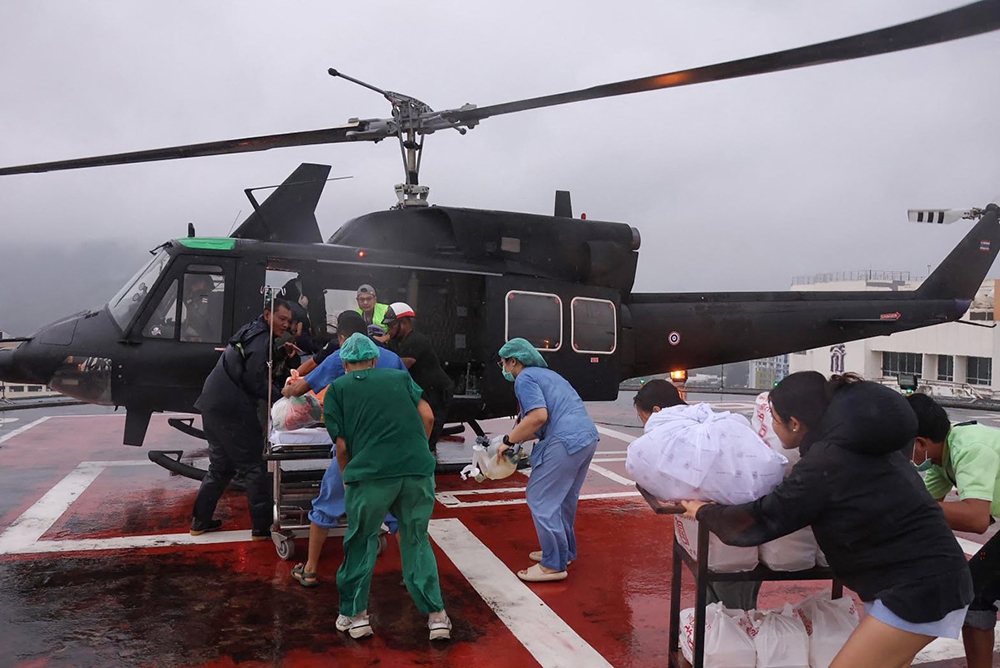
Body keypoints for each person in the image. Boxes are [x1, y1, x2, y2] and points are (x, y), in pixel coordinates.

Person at [681, 372, 973, 668]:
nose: (771, 427)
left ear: (795, 424)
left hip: (919, 590)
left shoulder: (827, 462)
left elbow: (762, 519)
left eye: (775, 421)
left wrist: (703, 511)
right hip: (926, 577)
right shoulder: (859, 442)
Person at [290, 334, 451, 642]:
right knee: (416, 540)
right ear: (375, 360)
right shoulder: (399, 379)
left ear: (344, 364)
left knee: (361, 541)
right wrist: (417, 446)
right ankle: (437, 618)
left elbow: (342, 446)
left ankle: (356, 616)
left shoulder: (338, 389)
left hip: (372, 475)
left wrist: (349, 477)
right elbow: (428, 415)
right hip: (416, 472)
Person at [632, 379, 761, 611]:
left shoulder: (684, 435)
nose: (644, 425)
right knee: (733, 592)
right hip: (748, 519)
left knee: (728, 599)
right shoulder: (710, 422)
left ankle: (728, 636)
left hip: (727, 529)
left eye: (643, 418)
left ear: (657, 411)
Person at [495, 337, 599, 582]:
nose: (503, 368)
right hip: (586, 438)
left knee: (540, 497)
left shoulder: (525, 378)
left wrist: (508, 441)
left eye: (504, 363)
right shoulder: (550, 376)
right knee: (563, 499)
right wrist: (515, 439)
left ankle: (553, 564)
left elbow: (538, 416)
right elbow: (538, 423)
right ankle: (566, 552)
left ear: (514, 361)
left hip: (564, 440)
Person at [908, 393, 1000, 668]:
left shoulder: (970, 446)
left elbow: (975, 518)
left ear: (920, 443)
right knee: (976, 590)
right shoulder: (942, 458)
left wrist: (906, 503)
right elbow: (924, 505)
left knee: (976, 588)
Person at [190, 298, 294, 539]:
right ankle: (262, 528)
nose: (286, 324)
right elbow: (254, 380)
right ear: (268, 315)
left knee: (220, 467)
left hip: (212, 403)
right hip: (230, 408)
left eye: (288, 321)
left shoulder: (251, 329)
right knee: (254, 466)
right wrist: (282, 397)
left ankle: (199, 521)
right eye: (282, 319)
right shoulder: (261, 340)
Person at [282, 310, 406, 399]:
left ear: (341, 338)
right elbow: (416, 399)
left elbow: (299, 389)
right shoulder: (392, 357)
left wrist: (286, 391)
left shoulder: (340, 357)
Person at [383, 302, 454, 450]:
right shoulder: (397, 342)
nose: (389, 329)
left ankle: (428, 463)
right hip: (423, 390)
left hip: (437, 391)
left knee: (430, 428)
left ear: (404, 323)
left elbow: (401, 365)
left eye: (391, 325)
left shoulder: (416, 340)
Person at [180, 273, 223, 343]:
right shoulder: (194, 298)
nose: (193, 285)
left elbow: (199, 321)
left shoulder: (208, 300)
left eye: (198, 282)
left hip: (201, 337)